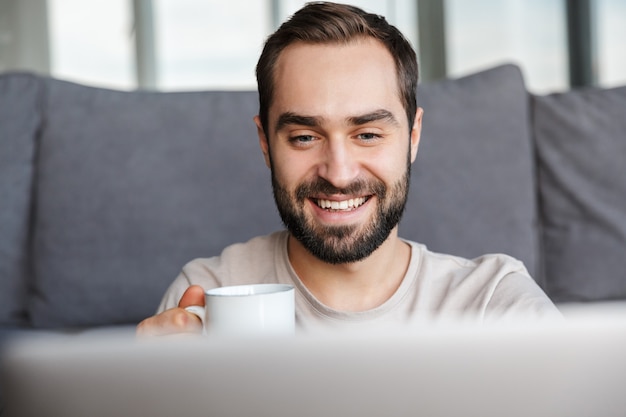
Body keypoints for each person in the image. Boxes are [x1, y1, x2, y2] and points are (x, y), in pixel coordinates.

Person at [136, 2, 560, 337]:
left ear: (413, 137)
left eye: (368, 135)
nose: (338, 174)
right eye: (305, 136)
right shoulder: (207, 295)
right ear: (265, 143)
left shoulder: (494, 303)